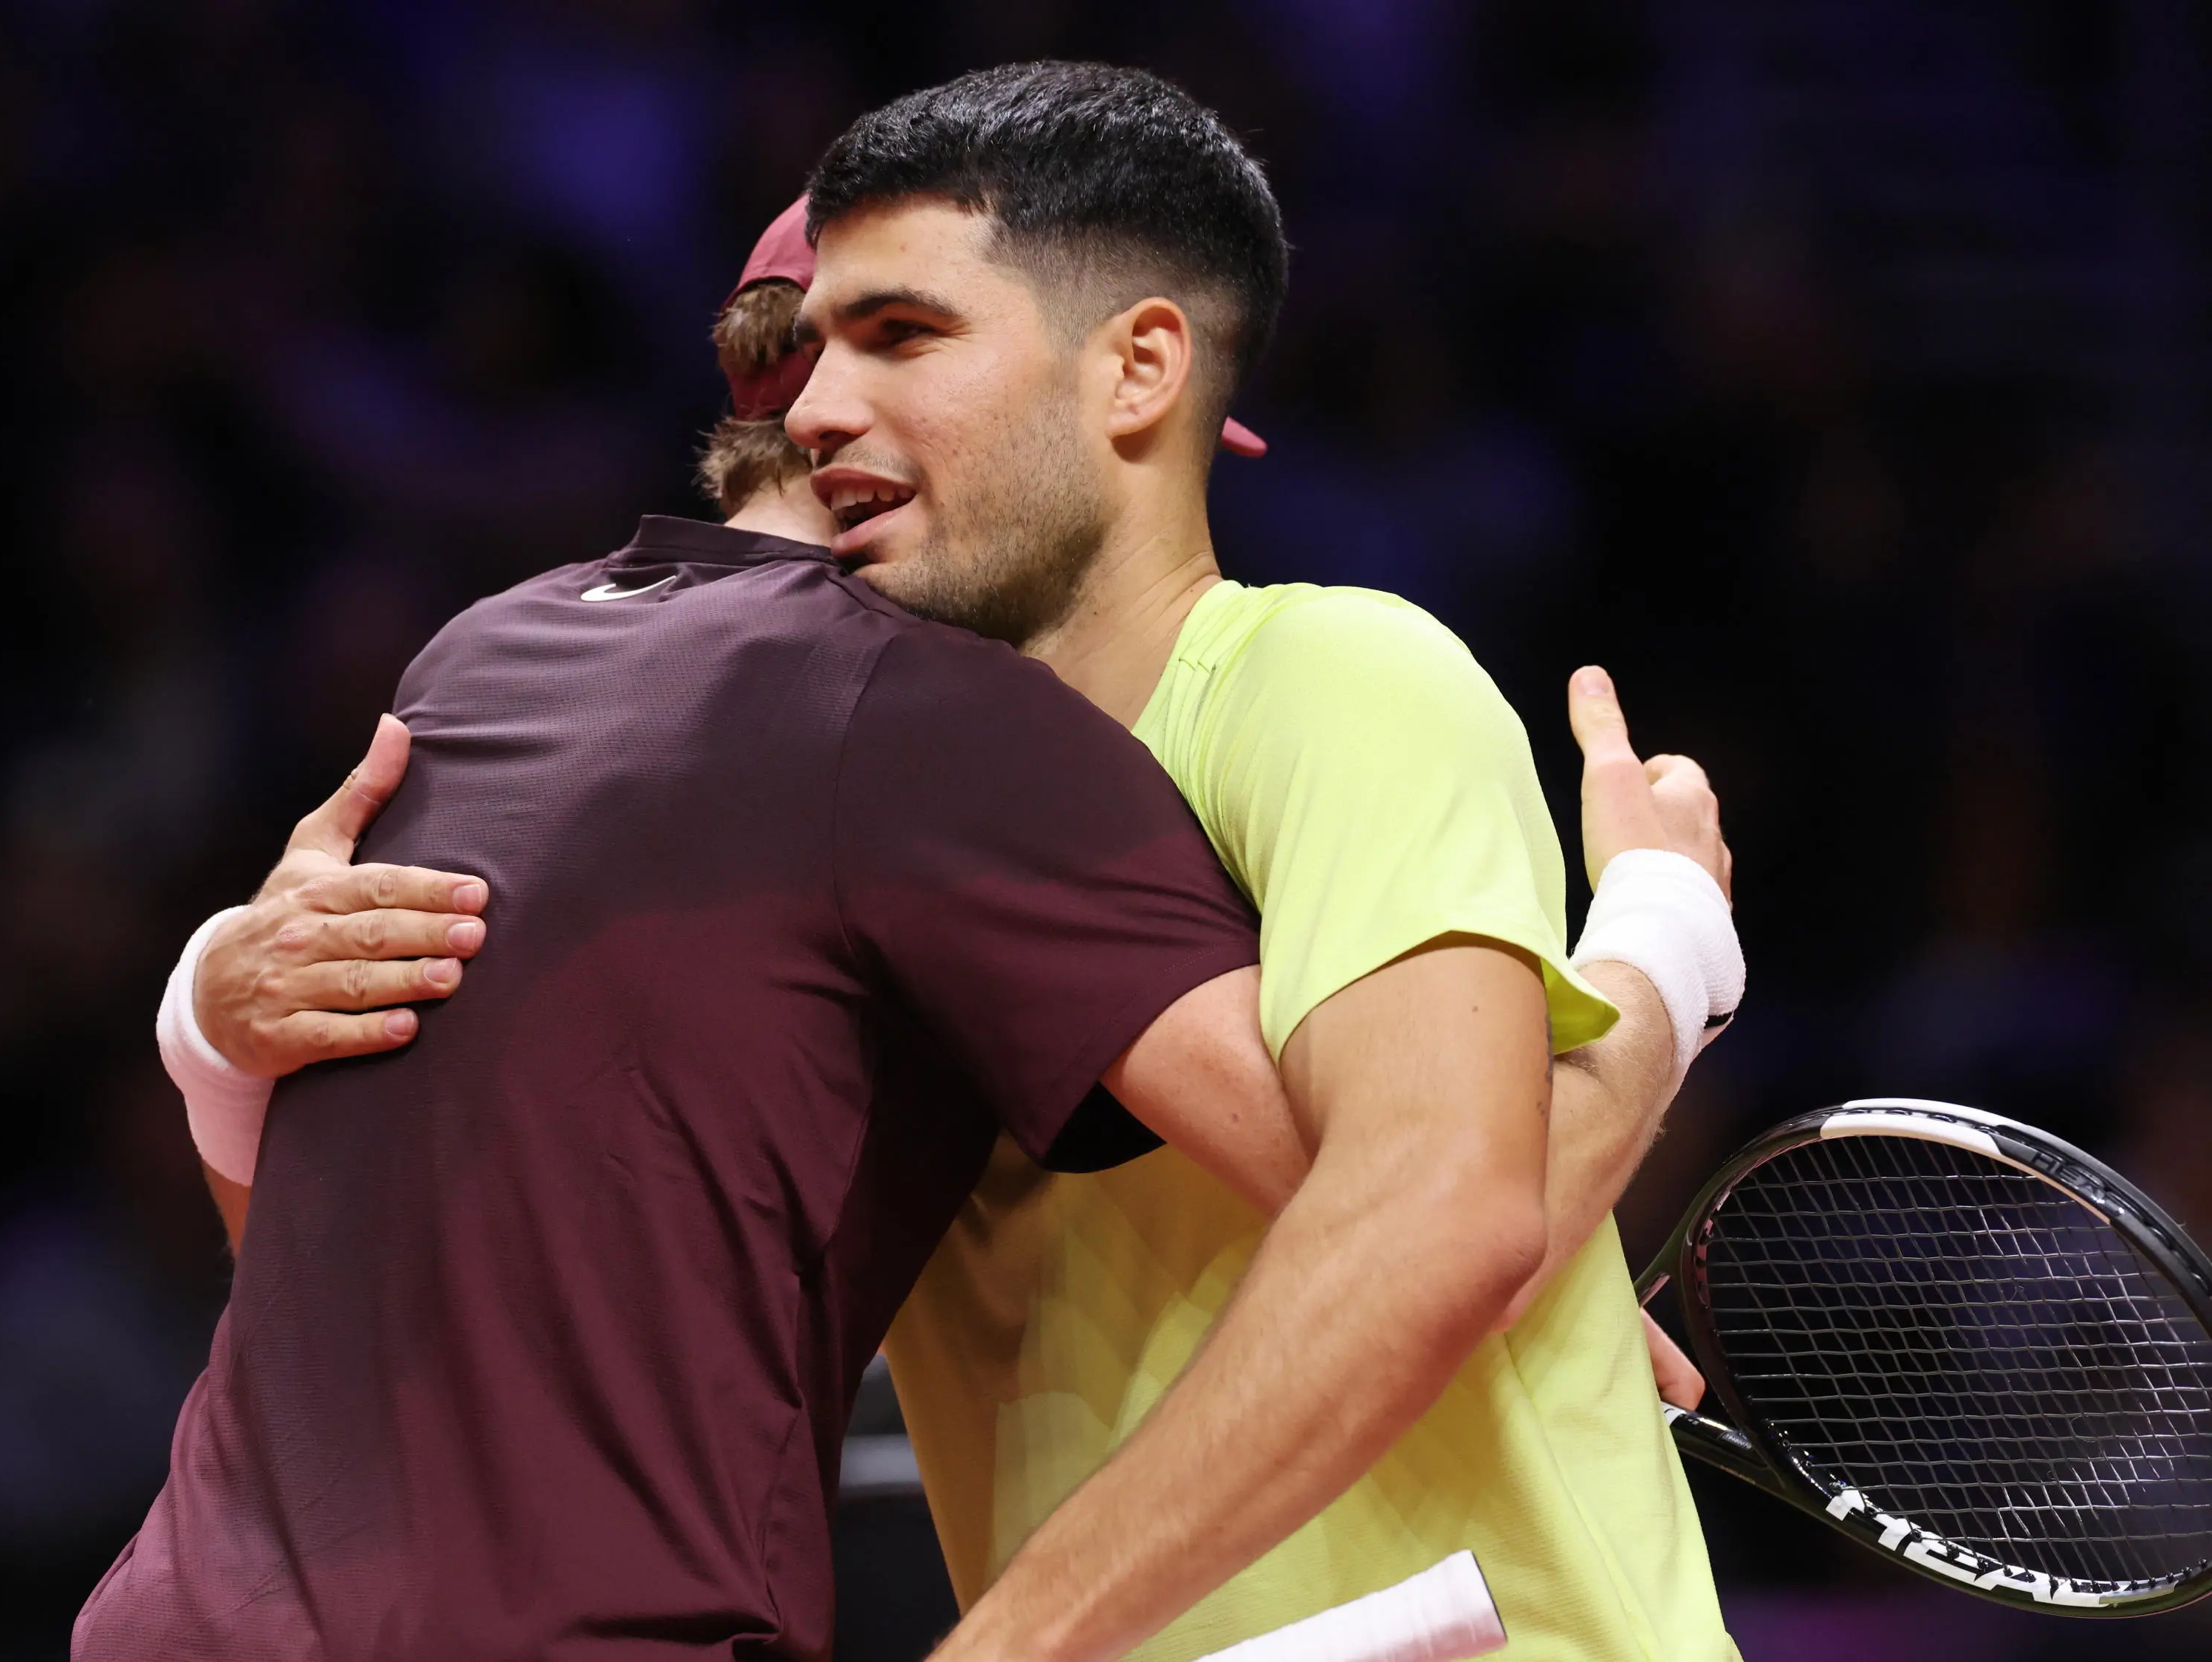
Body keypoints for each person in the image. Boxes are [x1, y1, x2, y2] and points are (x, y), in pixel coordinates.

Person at [154, 64, 1744, 1662]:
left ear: (1139, 376)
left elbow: (1454, 1223)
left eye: (900, 339)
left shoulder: (1329, 677)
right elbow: (404, 1291)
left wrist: (1644, 983)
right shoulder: (841, 790)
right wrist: (218, 1016)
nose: (816, 416)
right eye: (801, 359)